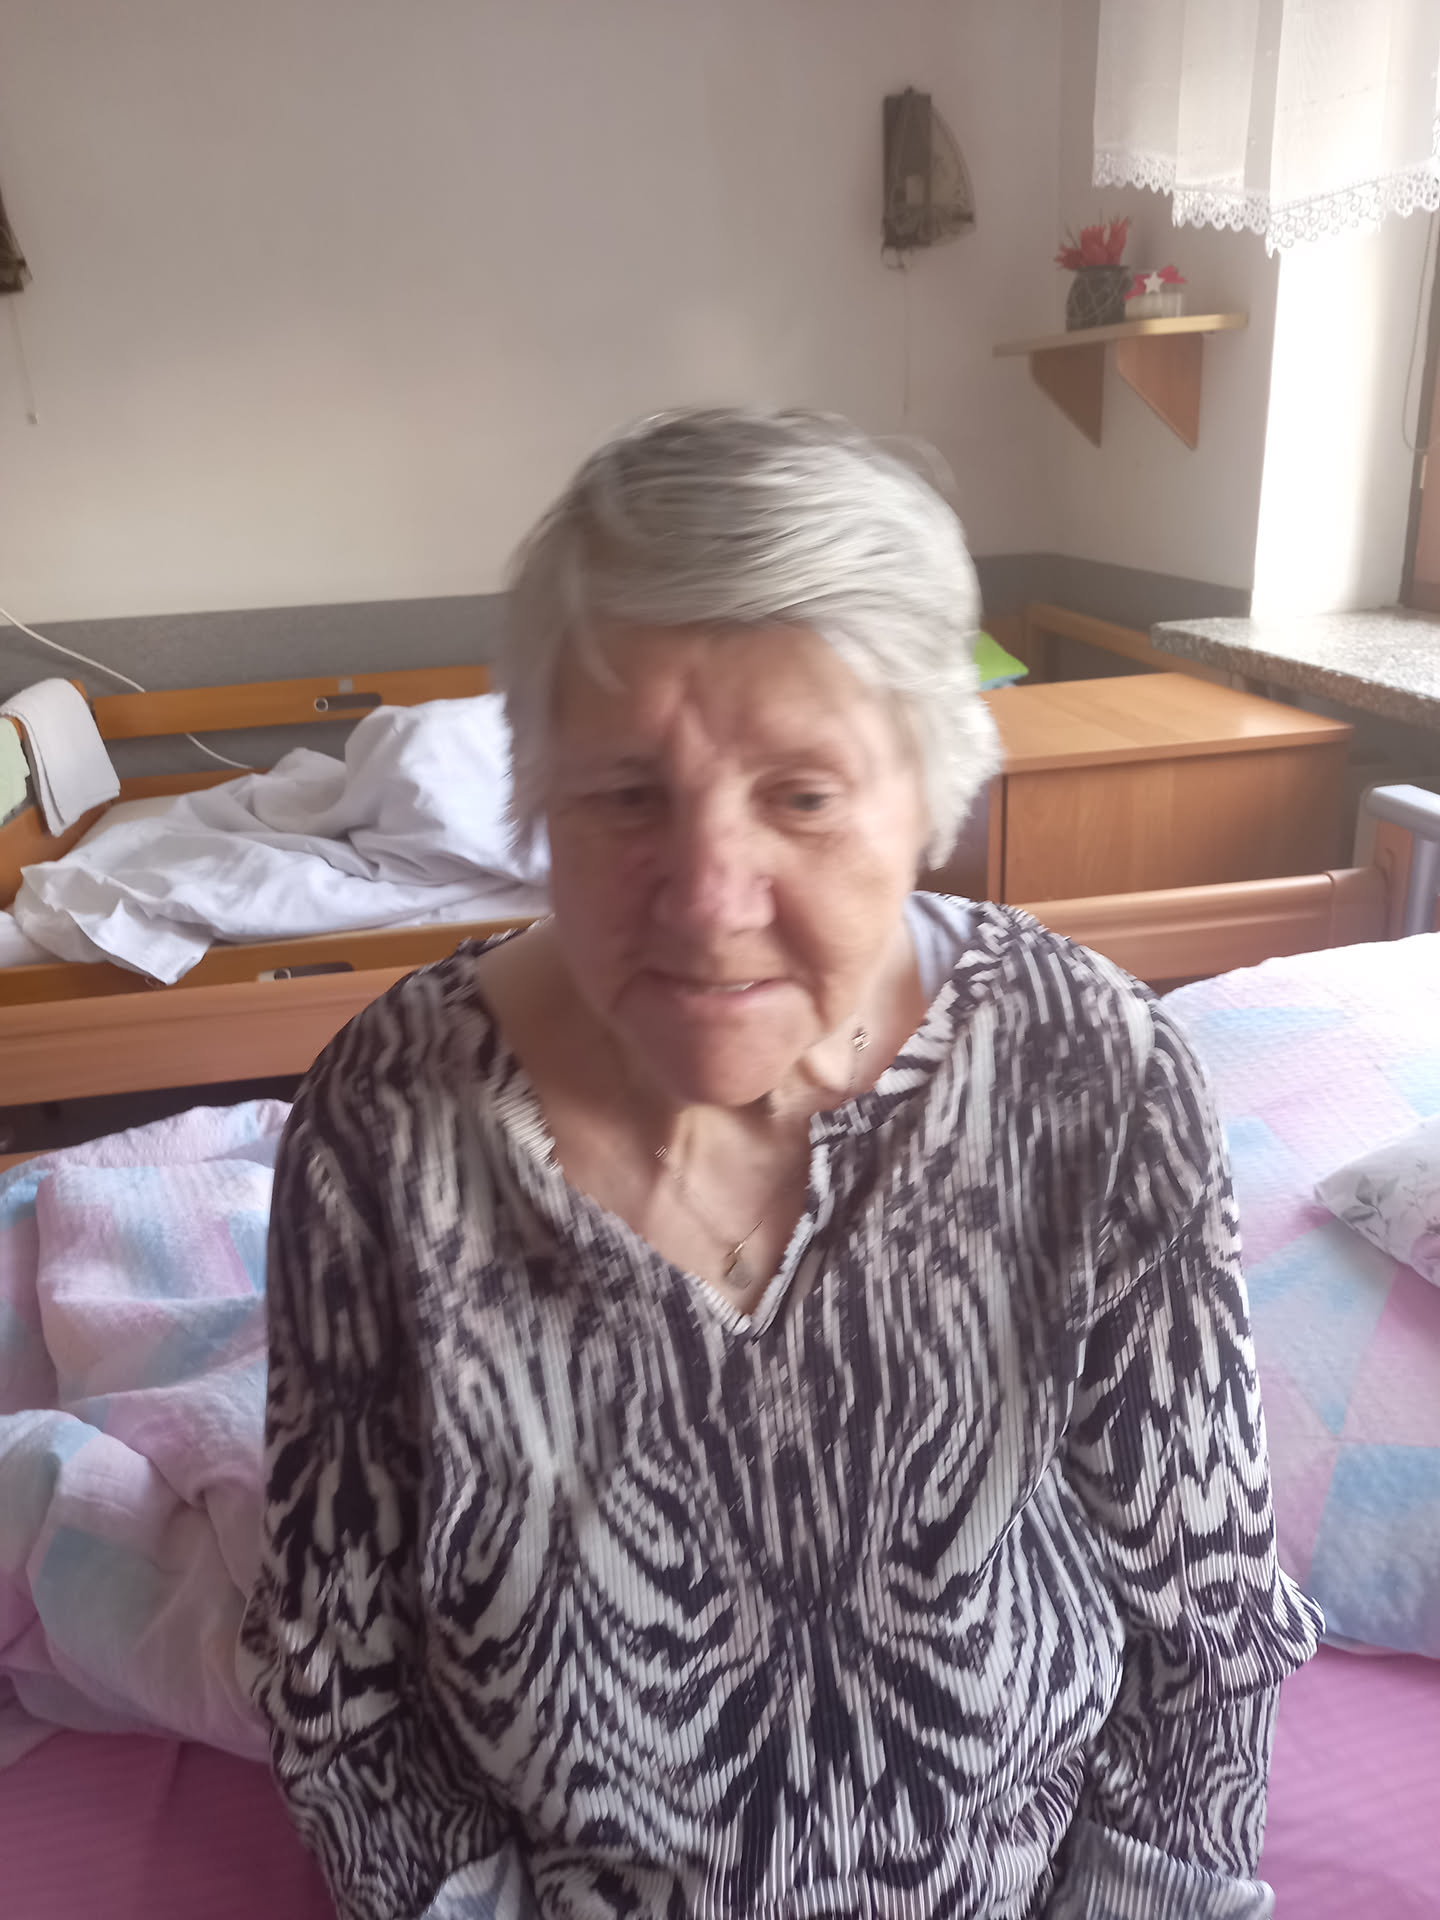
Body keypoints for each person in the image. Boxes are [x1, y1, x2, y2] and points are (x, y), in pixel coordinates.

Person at [240, 410, 1320, 1920]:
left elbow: (1205, 1625)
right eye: (627, 794)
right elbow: (337, 1683)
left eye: (802, 795)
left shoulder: (1093, 1072)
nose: (707, 900)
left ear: (930, 796)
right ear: (536, 794)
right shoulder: (387, 1121)